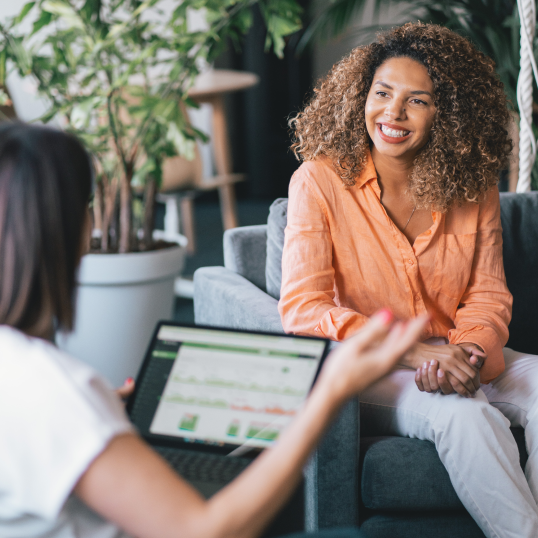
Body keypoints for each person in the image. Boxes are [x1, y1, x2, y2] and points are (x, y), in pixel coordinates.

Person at [0, 121, 427, 538]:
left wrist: (105, 406)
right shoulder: (55, 394)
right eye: (86, 207)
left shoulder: (34, 380)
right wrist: (330, 391)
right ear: (62, 232)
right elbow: (207, 531)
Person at [280, 22, 538, 538]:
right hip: (369, 366)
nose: (392, 114)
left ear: (448, 113)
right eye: (382, 93)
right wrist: (418, 354)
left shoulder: (473, 185)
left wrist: (462, 355)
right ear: (360, 96)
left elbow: (487, 294)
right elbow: (303, 310)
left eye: (416, 100)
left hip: (456, 349)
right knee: (466, 416)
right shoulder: (320, 180)